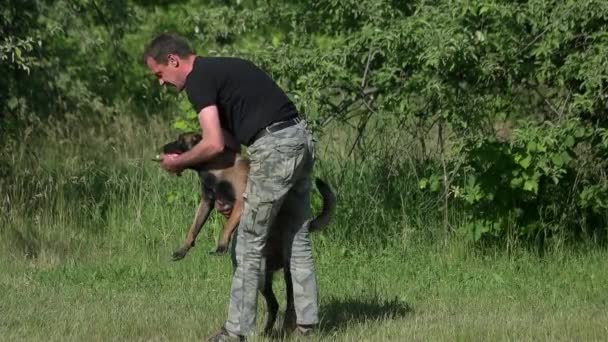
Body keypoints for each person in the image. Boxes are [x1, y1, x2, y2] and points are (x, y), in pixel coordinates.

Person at [143, 33, 319, 341]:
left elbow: (211, 143)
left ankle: (235, 332)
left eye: (159, 74)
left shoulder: (197, 80)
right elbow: (229, 144)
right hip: (299, 138)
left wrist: (179, 162)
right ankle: (306, 325)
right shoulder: (219, 70)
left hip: (275, 148)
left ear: (173, 61)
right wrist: (205, 175)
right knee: (296, 235)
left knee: (249, 240)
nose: (160, 82)